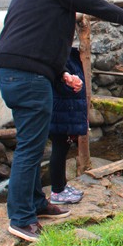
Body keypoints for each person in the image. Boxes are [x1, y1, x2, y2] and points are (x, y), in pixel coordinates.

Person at [0, 0, 123, 242]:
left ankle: (36, 204)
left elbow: (37, 39)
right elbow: (94, 3)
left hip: (15, 71)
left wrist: (60, 73)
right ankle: (20, 218)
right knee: (30, 147)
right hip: (27, 76)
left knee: (34, 141)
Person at [48, 47, 87, 205]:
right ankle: (57, 191)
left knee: (62, 149)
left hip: (65, 112)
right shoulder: (58, 58)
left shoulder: (68, 55)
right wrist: (74, 84)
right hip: (61, 113)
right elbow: (61, 84)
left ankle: (61, 186)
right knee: (59, 149)